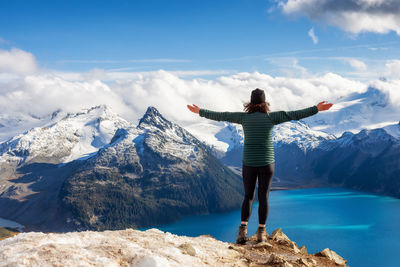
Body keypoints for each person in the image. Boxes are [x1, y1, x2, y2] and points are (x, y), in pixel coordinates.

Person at [187, 88, 333, 244]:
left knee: (248, 197)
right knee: (264, 197)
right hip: (266, 163)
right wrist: (316, 109)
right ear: (264, 103)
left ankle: (242, 231)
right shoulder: (271, 118)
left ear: (250, 103)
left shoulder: (243, 118)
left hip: (248, 163)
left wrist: (200, 111)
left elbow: (221, 115)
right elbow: (295, 114)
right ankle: (261, 232)